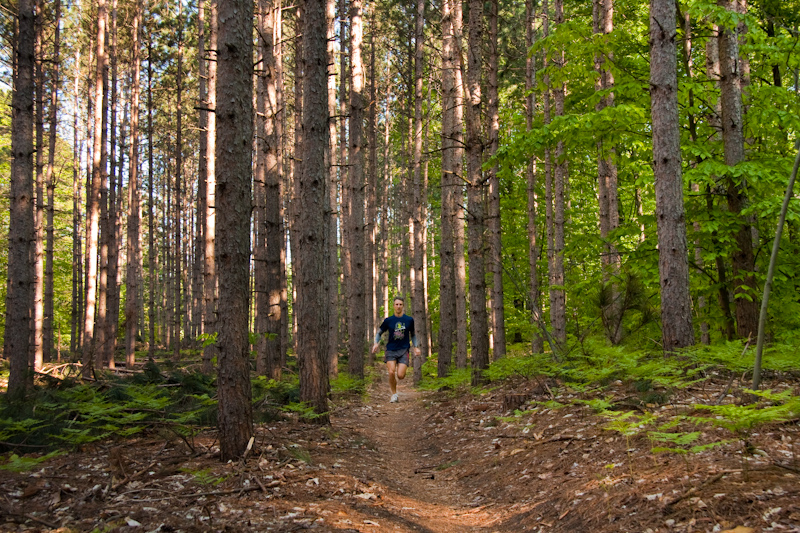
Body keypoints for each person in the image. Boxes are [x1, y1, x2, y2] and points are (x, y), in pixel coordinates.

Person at [371, 296, 420, 403]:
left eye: (400, 304)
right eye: (396, 304)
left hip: (403, 350)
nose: (398, 306)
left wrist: (416, 347)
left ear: (403, 306)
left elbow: (413, 335)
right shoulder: (388, 320)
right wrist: (376, 343)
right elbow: (379, 333)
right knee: (391, 372)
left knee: (401, 375)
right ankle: (394, 394)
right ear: (393, 306)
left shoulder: (409, 320)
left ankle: (396, 385)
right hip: (391, 350)